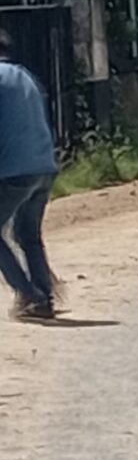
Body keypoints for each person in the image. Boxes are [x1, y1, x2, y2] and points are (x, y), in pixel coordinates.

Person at [0, 30, 60, 321]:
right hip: (44, 166)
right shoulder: (26, 77)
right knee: (28, 235)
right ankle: (44, 294)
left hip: (14, 171)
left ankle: (27, 294)